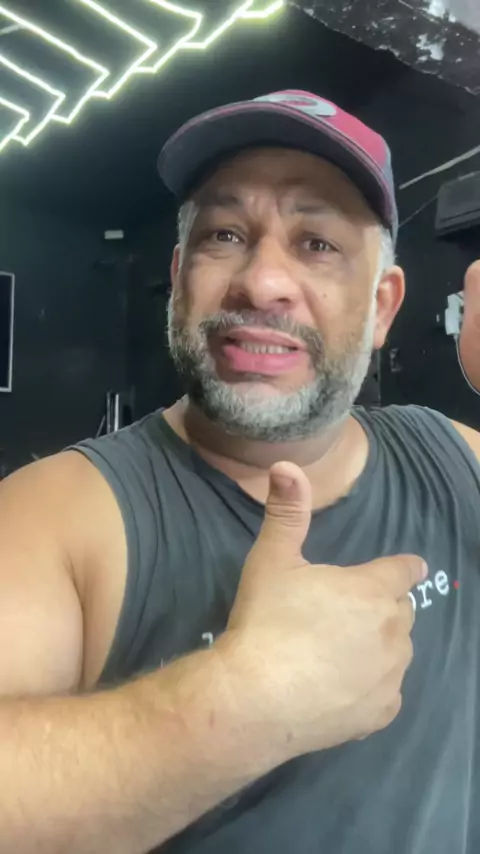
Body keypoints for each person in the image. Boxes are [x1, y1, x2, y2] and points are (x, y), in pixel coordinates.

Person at [0, 89, 479, 854]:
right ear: (179, 278)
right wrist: (244, 703)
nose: (262, 284)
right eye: (225, 235)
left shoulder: (453, 459)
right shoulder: (54, 516)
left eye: (316, 243)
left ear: (384, 306)